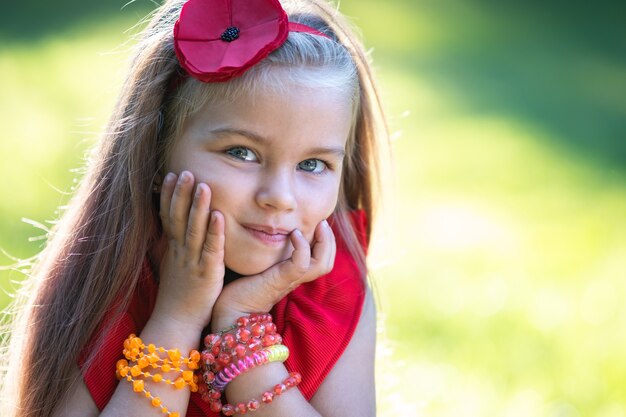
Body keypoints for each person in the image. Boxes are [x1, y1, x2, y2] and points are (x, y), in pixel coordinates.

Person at [2, 0, 388, 415]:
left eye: (313, 165)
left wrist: (241, 326)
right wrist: (177, 314)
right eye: (241, 152)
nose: (280, 196)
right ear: (154, 152)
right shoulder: (104, 281)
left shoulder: (330, 289)